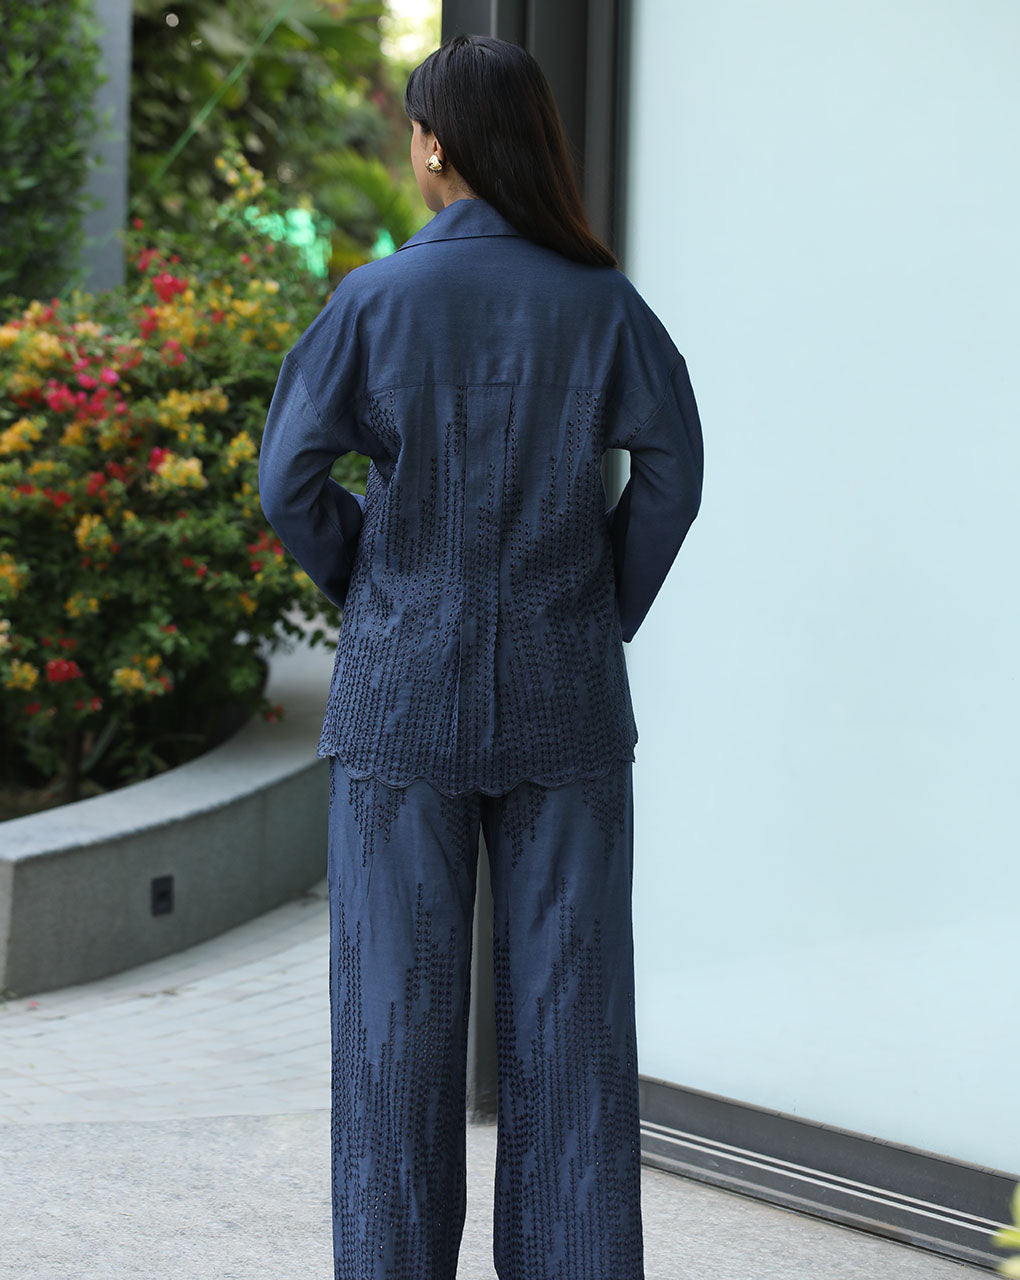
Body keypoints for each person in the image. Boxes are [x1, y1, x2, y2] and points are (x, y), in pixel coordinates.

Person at [257, 32, 703, 1280]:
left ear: (436, 145)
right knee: (572, 1022)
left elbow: (288, 480)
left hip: (401, 696)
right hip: (568, 696)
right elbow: (675, 473)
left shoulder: (374, 299)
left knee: (391, 1025)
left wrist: (373, 584)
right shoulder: (604, 302)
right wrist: (601, 602)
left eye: (415, 126)